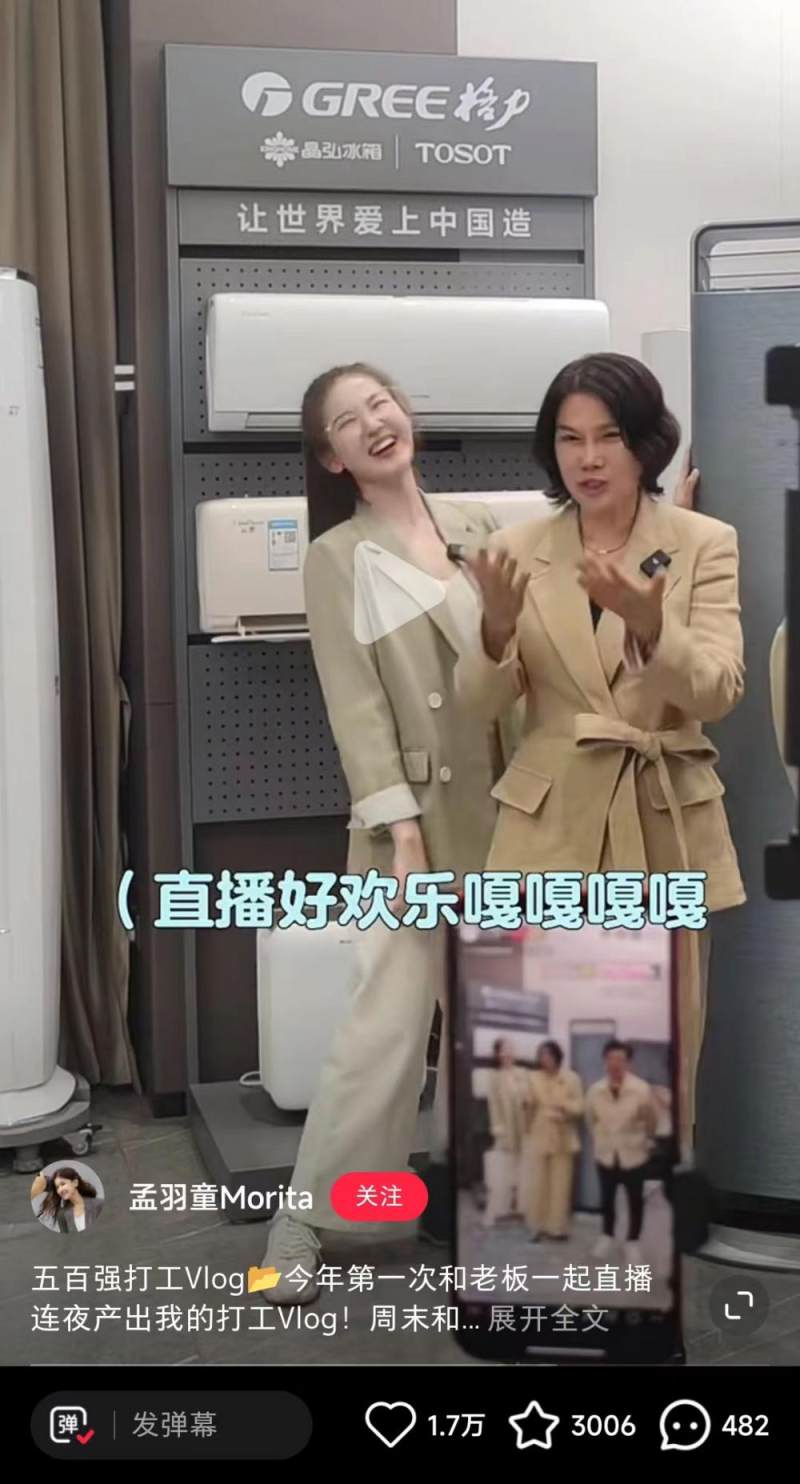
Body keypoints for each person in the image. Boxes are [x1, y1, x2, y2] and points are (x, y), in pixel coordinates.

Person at [260, 362, 516, 1304]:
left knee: (500, 1033)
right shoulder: (336, 556)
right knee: (384, 1033)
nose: (373, 422)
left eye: (380, 403)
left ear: (406, 414)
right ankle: (303, 1219)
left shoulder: (479, 527)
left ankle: (480, 1210)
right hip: (405, 829)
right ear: (332, 457)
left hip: (506, 815)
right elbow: (356, 710)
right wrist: (404, 838)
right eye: (347, 421)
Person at [456, 352, 746, 1155]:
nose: (587, 458)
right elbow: (476, 706)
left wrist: (651, 627)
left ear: (646, 444)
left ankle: (638, 1224)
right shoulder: (518, 547)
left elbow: (720, 690)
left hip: (660, 824)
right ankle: (537, 1220)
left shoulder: (701, 542)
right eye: (569, 438)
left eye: (608, 436)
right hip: (547, 828)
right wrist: (494, 630)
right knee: (537, 1056)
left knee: (651, 1060)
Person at [585, 1041, 658, 1263]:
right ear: (604, 1061)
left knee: (635, 1201)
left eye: (620, 1059)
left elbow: (651, 1122)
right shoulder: (595, 1091)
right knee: (607, 1199)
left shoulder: (641, 1089)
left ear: (628, 1063)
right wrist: (601, 1140)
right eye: (611, 1059)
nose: (615, 1064)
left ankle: (632, 1241)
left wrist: (644, 1140)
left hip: (634, 1153)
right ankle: (607, 1236)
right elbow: (590, 1121)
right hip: (606, 1153)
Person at [525, 1040, 584, 1242]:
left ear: (557, 1056)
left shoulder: (572, 1078)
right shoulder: (533, 1078)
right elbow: (528, 1107)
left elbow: (580, 1107)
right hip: (540, 1133)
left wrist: (564, 1107)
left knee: (561, 1184)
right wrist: (525, 1105)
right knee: (538, 1183)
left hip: (563, 1135)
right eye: (541, 1055)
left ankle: (557, 1228)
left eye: (548, 1055)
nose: (545, 1059)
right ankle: (536, 1226)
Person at [483, 1037, 529, 1227]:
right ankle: (494, 1211)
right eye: (504, 1049)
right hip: (505, 1129)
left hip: (524, 1129)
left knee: (523, 1170)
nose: (508, 1053)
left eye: (510, 1048)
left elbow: (530, 1099)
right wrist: (498, 1129)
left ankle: (521, 1209)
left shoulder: (523, 1073)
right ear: (498, 1054)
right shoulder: (494, 1077)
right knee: (501, 1172)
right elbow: (493, 1105)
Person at [31, 1167, 103, 1233]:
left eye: (63, 1184)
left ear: (75, 1183)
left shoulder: (98, 1204)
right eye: (57, 1187)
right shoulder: (62, 1215)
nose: (60, 1190)